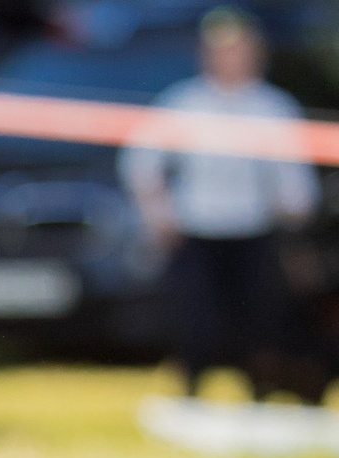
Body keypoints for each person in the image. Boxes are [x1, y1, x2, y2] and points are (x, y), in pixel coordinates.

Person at [121, 8, 321, 402]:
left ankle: (258, 394)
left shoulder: (272, 107)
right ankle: (191, 390)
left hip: (254, 231)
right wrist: (158, 217)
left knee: (261, 323)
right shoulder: (184, 101)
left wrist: (295, 221)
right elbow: (140, 163)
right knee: (196, 321)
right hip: (197, 230)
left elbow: (294, 182)